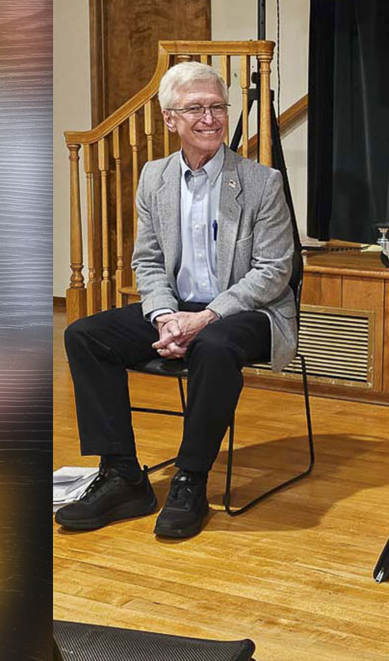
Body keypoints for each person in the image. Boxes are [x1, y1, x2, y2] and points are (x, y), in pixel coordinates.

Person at [54, 62, 297, 539]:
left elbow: (274, 271)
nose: (210, 118)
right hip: (178, 305)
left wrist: (204, 318)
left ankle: (190, 478)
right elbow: (146, 262)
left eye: (217, 107)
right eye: (196, 109)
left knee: (215, 345)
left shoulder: (261, 182)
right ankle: (123, 474)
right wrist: (166, 316)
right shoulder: (154, 178)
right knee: (85, 335)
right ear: (170, 120)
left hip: (249, 311)